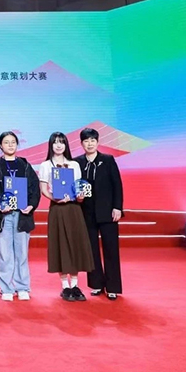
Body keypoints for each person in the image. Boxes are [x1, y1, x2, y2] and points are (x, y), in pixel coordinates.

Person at [0, 131, 40, 301]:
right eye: (6, 142)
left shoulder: (25, 165)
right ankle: (6, 288)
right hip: (3, 216)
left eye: (13, 142)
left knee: (22, 253)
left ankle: (22, 287)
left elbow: (34, 188)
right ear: (0, 145)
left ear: (17, 144)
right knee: (4, 253)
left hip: (22, 215)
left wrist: (31, 205)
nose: (10, 145)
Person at [39, 131, 94, 302]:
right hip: (57, 209)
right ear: (51, 145)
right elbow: (43, 190)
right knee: (60, 244)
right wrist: (54, 198)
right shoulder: (45, 165)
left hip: (74, 209)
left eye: (61, 142)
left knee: (75, 244)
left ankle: (75, 285)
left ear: (66, 145)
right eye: (55, 142)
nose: (58, 145)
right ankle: (65, 286)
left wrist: (80, 196)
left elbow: (78, 188)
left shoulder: (74, 165)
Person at [74, 127, 124, 300]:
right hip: (86, 212)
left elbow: (117, 185)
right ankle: (96, 284)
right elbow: (74, 185)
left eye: (92, 140)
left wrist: (117, 207)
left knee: (111, 249)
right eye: (86, 141)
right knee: (91, 250)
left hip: (108, 212)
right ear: (81, 143)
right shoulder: (77, 162)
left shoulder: (108, 160)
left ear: (97, 142)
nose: (90, 144)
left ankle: (112, 286)